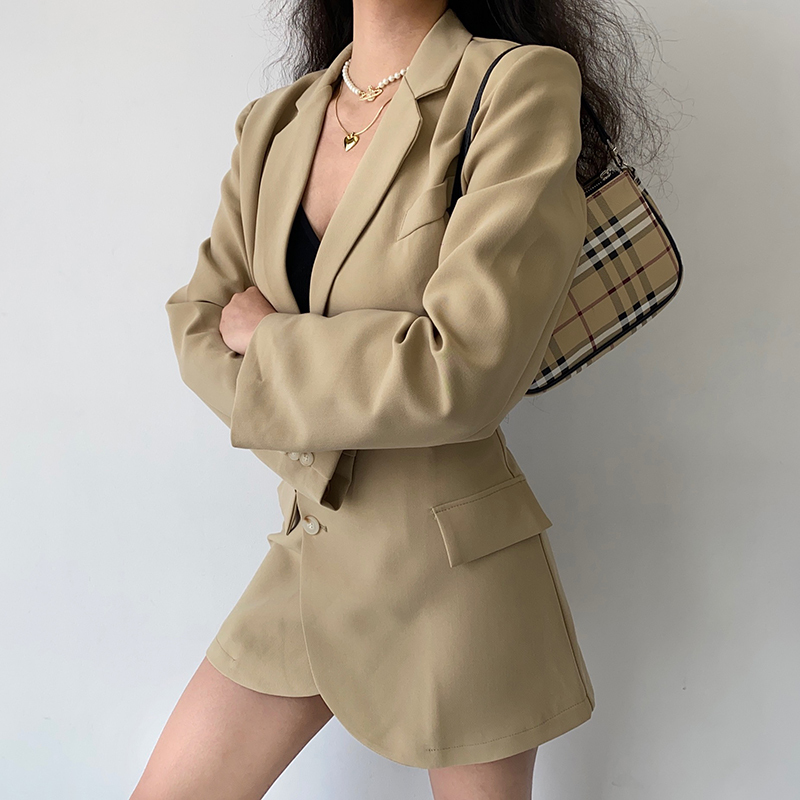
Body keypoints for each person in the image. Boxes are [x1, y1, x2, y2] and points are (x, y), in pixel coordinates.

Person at [137, 2, 668, 797]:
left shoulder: (514, 86)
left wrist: (272, 339)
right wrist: (333, 394)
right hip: (307, 559)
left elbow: (465, 371)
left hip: (453, 582)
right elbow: (199, 325)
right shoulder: (274, 122)